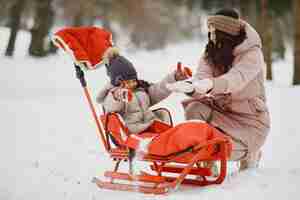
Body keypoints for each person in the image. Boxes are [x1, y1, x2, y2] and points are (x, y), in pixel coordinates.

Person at [166, 8, 270, 170]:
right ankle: (206, 156)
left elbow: (236, 79)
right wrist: (191, 87)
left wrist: (211, 84)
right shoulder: (212, 51)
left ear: (228, 33)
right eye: (210, 32)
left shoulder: (252, 53)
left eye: (216, 32)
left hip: (249, 121)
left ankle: (251, 152)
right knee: (195, 107)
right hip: (222, 112)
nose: (212, 37)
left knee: (222, 148)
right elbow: (202, 76)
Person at [96, 55, 232, 157]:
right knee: (180, 137)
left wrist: (174, 77)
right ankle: (201, 145)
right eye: (126, 82)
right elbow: (110, 106)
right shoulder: (114, 95)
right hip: (136, 137)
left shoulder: (141, 90)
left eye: (133, 81)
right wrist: (118, 95)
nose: (131, 85)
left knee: (183, 130)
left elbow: (159, 90)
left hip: (153, 130)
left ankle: (211, 141)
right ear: (116, 82)